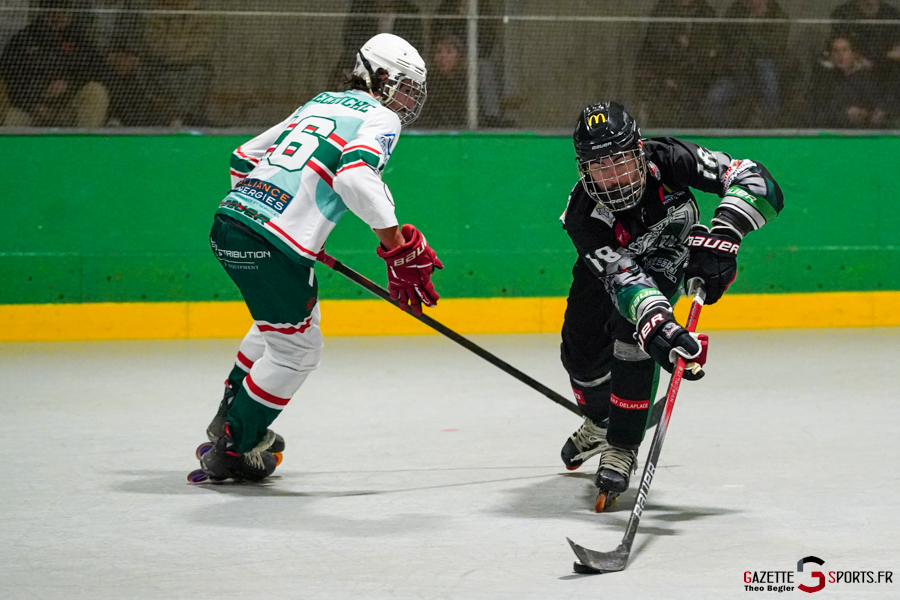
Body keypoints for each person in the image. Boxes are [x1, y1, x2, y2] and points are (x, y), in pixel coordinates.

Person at [196, 33, 441, 482]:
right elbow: (354, 177)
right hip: (271, 243)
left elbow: (243, 157)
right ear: (379, 77)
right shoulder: (383, 117)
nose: (408, 99)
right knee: (297, 352)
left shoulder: (323, 101)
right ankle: (237, 443)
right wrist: (396, 246)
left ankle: (230, 414)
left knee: (276, 327)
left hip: (228, 223)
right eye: (405, 86)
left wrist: (275, 217)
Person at [558, 101, 783, 511]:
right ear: (583, 169)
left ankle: (622, 446)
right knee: (579, 359)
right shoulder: (583, 217)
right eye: (599, 167)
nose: (612, 177)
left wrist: (725, 233)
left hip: (668, 256)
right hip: (605, 272)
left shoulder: (672, 158)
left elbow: (757, 180)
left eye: (620, 161)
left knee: (634, 336)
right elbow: (623, 278)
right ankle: (600, 421)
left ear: (639, 149)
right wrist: (657, 321)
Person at [0, 0, 109, 127]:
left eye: (63, 10)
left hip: (69, 106)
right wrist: (33, 103)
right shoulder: (23, 40)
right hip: (31, 110)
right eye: (53, 9)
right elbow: (9, 80)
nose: (58, 15)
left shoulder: (80, 39)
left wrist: (68, 84)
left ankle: (84, 144)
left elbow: (97, 70)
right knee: (9, 120)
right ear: (44, 12)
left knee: (96, 91)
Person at [703, 0, 789, 127]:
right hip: (738, 73)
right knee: (714, 99)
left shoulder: (778, 16)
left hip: (766, 70)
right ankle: (728, 131)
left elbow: (773, 49)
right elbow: (724, 38)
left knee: (766, 73)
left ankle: (771, 127)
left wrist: (751, 26)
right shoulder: (735, 12)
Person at [636, 0, 717, 128]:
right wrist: (668, 75)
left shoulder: (705, 12)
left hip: (696, 73)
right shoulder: (663, 11)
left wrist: (690, 46)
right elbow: (657, 44)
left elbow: (708, 46)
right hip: (665, 71)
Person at [806, 37, 887, 129]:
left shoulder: (867, 79)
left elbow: (881, 106)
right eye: (836, 51)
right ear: (830, 56)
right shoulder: (823, 81)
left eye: (845, 50)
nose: (840, 55)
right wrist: (844, 115)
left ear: (853, 54)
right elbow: (816, 111)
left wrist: (871, 115)